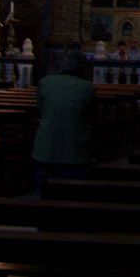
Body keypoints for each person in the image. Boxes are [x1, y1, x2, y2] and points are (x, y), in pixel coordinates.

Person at [31, 50, 96, 190]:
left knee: (43, 192)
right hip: (74, 151)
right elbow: (90, 115)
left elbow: (41, 109)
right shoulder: (87, 87)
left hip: (45, 148)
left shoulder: (45, 83)